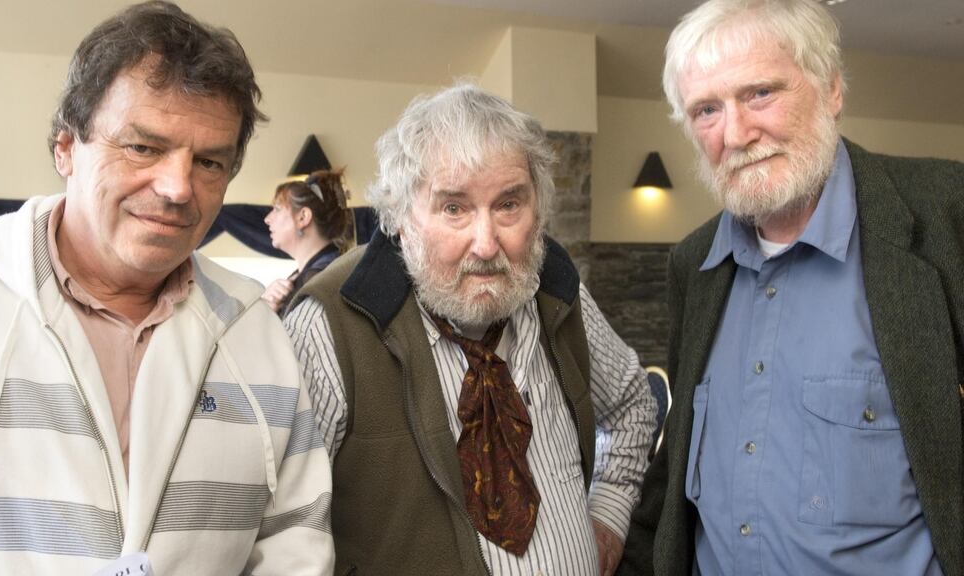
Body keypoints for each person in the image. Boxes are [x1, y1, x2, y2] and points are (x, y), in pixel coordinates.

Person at [0, 2, 333, 574]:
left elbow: (297, 534)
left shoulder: (255, 331)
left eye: (209, 162)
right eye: (143, 147)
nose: (177, 188)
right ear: (66, 148)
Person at [621, 1, 964, 575]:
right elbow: (677, 461)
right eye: (706, 109)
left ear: (831, 89)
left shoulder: (947, 217)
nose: (734, 133)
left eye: (759, 93)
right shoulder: (693, 265)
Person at [284, 83, 658, 576]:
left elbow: (634, 404)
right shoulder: (329, 325)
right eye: (454, 208)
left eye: (508, 205)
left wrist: (608, 513)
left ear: (538, 211)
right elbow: (283, 526)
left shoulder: (557, 293)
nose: (486, 244)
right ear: (400, 219)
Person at [261, 169, 348, 315]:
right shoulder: (325, 273)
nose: (267, 219)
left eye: (277, 209)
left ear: (303, 217)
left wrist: (266, 316)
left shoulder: (318, 283)